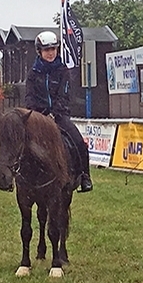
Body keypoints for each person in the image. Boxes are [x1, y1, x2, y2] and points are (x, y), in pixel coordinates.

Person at [24, 30, 93, 192]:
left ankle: (84, 176)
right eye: (47, 50)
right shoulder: (33, 74)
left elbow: (64, 95)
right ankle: (18, 177)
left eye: (53, 49)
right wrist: (38, 115)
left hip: (60, 116)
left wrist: (54, 114)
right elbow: (29, 98)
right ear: (39, 51)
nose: (50, 53)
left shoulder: (63, 71)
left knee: (79, 143)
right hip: (38, 118)